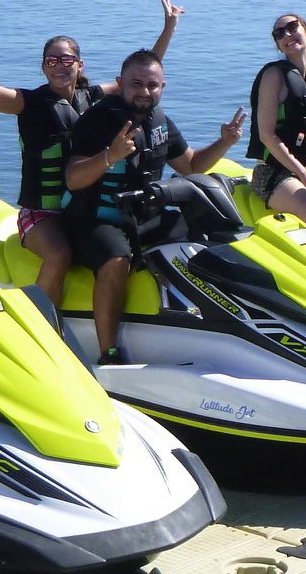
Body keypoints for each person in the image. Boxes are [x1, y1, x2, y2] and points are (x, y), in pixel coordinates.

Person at [0, 0, 183, 304]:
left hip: (79, 209)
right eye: (51, 61)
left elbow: (141, 77)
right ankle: (42, 321)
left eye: (66, 60)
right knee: (59, 255)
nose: (59, 66)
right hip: (41, 213)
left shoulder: (93, 97)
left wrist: (168, 30)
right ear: (43, 68)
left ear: (79, 65)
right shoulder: (29, 104)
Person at [62, 49, 246, 365]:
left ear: (163, 87)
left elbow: (191, 166)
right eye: (137, 84)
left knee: (205, 237)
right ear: (120, 84)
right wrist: (110, 156)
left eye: (152, 85)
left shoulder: (158, 121)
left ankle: (222, 319)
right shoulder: (97, 121)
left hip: (143, 216)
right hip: (95, 218)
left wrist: (225, 142)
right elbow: (73, 179)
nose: (145, 92)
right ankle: (109, 352)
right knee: (116, 260)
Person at [247, 13, 306, 224]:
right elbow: (267, 135)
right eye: (279, 33)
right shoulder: (273, 76)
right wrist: (303, 174)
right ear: (278, 45)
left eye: (293, 27)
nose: (287, 35)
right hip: (273, 172)